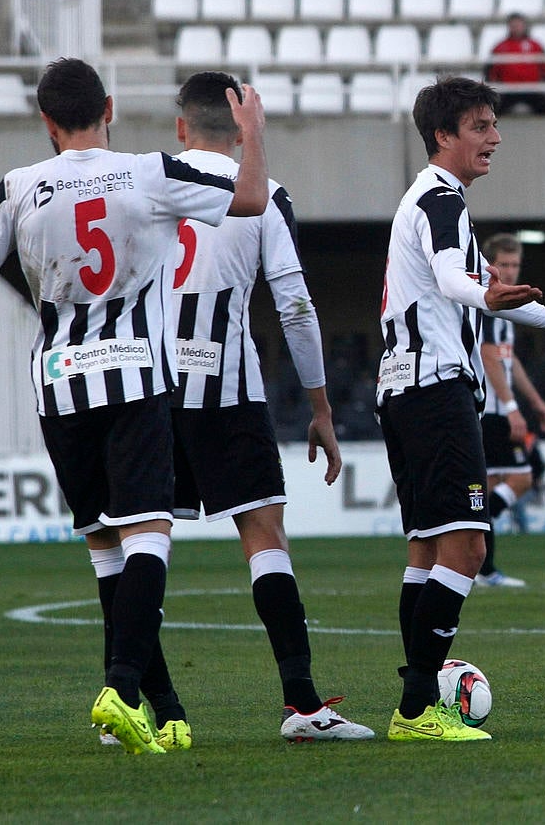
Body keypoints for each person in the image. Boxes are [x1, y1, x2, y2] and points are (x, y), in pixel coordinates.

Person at [0, 58, 271, 754]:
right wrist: (251, 133)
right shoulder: (150, 171)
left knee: (107, 549)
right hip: (134, 377)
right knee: (149, 537)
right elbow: (252, 199)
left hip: (59, 384)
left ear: (45, 122)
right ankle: (119, 685)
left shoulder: (18, 187)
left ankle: (155, 706)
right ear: (108, 106)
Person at [379, 76, 545, 741]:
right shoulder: (441, 198)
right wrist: (479, 293)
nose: (495, 137)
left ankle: (414, 699)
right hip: (434, 390)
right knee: (467, 547)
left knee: (427, 548)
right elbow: (452, 280)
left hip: (403, 389)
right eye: (482, 126)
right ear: (444, 135)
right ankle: (416, 711)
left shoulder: (426, 199)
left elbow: (482, 290)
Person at [168, 71, 373, 742]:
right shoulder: (264, 192)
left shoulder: (142, 177)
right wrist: (321, 407)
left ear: (180, 126)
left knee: (136, 540)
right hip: (226, 388)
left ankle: (136, 706)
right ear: (244, 125)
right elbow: (292, 302)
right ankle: (303, 704)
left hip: (145, 386)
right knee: (263, 534)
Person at [477, 232, 545, 587]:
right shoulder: (487, 302)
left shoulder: (508, 306)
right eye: (504, 264)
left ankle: (486, 569)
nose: (510, 272)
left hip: (497, 407)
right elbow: (488, 354)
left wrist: (536, 401)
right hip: (489, 410)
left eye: (515, 265)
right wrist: (512, 408)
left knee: (491, 485)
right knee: (521, 478)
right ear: (489, 265)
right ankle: (473, 525)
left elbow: (510, 363)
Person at [486, 14, 545, 116]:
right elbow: (490, 71)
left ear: (524, 26)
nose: (516, 28)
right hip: (508, 91)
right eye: (513, 25)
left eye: (518, 25)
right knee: (494, 110)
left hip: (532, 90)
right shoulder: (500, 47)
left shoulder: (535, 45)